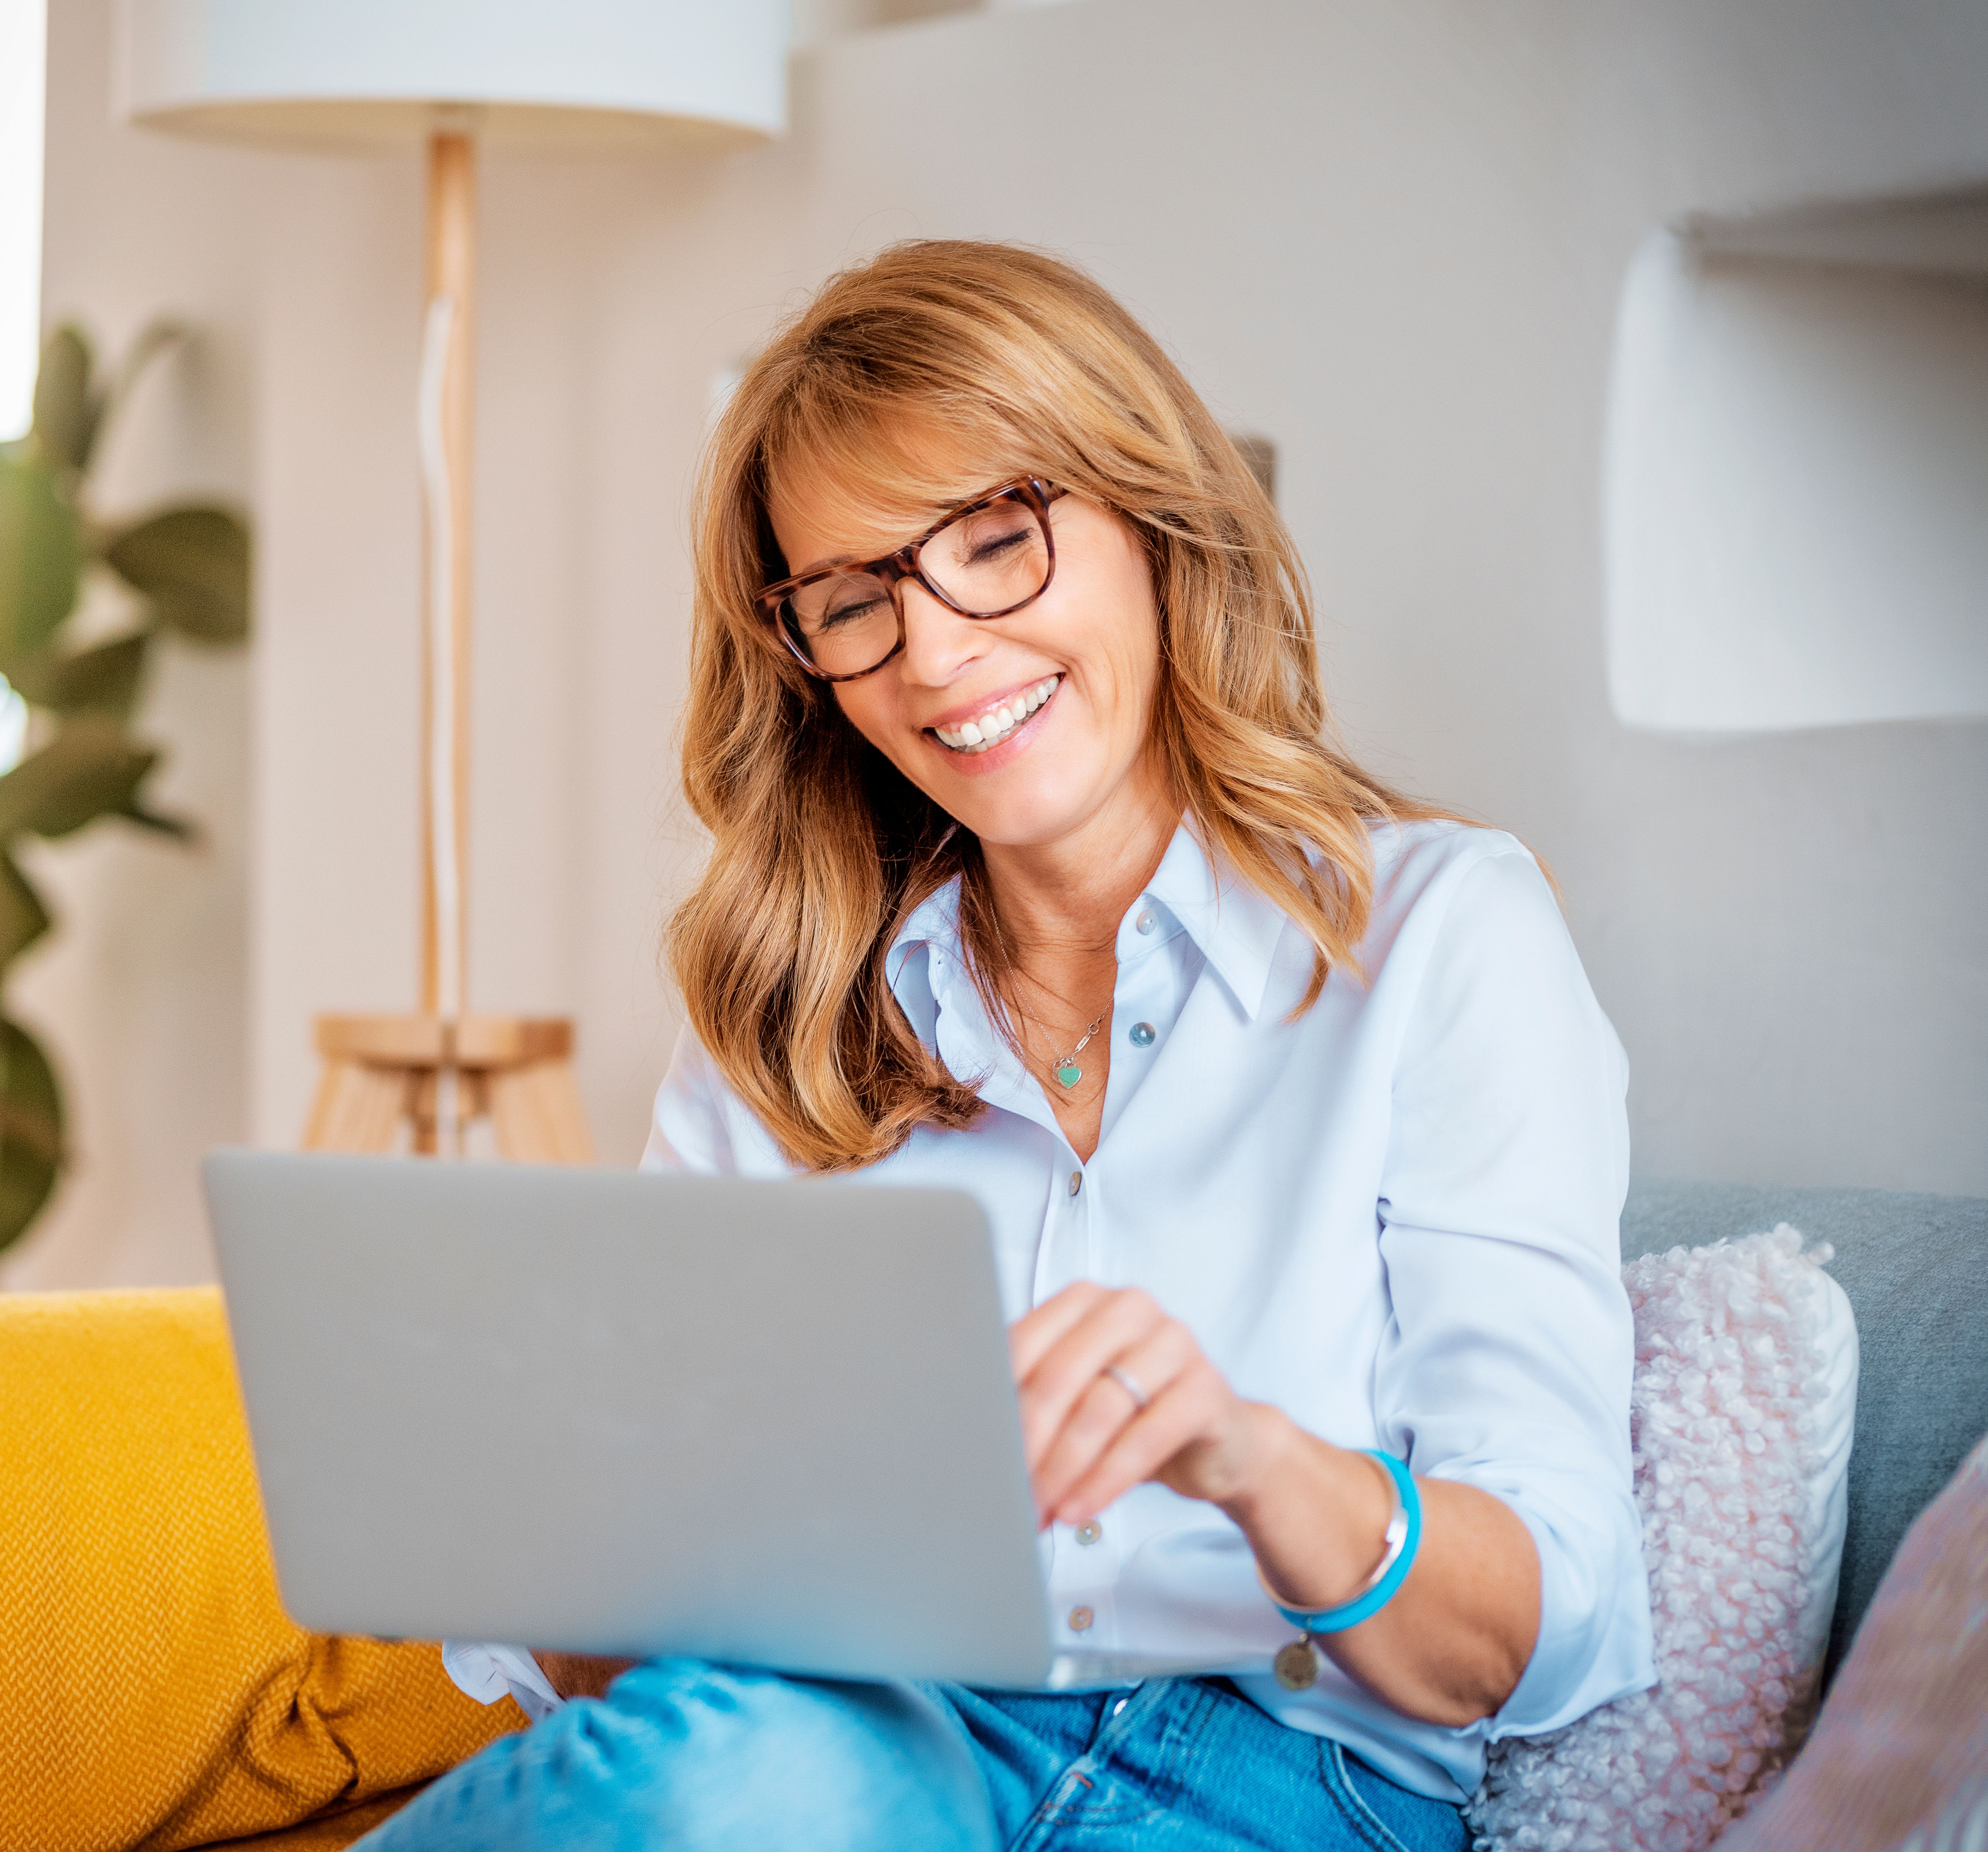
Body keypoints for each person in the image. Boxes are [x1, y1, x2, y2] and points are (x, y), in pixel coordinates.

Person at [367, 241, 1653, 1851]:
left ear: (1153, 524)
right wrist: (591, 1550)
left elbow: (1540, 1625)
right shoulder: (791, 1009)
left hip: (1274, 1769)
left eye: (994, 541)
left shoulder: (1439, 935)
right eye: (854, 597)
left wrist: (1248, 1457)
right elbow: (602, 1659)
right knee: (728, 1776)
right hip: (846, 1733)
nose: (936, 651)